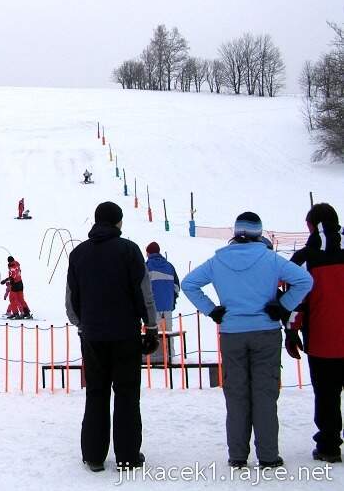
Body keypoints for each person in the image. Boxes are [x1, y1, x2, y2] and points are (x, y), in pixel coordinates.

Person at [182, 211, 313, 469]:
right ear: (259, 233)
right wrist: (283, 305)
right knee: (264, 393)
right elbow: (304, 280)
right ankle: (268, 455)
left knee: (236, 393)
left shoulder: (217, 261)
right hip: (266, 331)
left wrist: (211, 310)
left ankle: (238, 455)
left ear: (235, 232)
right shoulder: (270, 259)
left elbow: (189, 284)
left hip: (232, 333)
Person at [65, 201, 159, 472]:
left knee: (96, 392)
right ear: (118, 222)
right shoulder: (129, 250)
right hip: (125, 334)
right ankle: (127, 455)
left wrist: (82, 323)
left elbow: (72, 297)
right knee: (127, 393)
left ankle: (94, 455)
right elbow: (144, 293)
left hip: (92, 335)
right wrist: (150, 327)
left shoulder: (78, 253)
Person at [287, 203, 344, 463]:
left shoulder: (305, 257)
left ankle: (329, 446)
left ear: (311, 225)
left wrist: (291, 332)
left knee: (327, 395)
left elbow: (295, 300)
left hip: (323, 340)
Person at [144, 242, 180, 362]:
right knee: (169, 333)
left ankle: (157, 360)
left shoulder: (146, 266)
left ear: (148, 253)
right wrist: (171, 300)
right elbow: (176, 287)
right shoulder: (169, 266)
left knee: (154, 333)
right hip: (167, 307)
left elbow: (142, 287)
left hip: (152, 308)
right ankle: (170, 358)